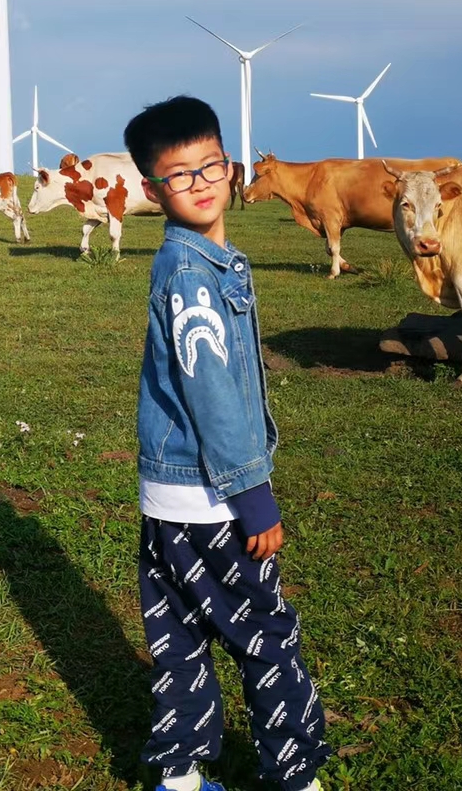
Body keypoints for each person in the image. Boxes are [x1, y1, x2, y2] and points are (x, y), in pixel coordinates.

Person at [123, 96, 330, 791]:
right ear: (155, 191)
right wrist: (254, 496)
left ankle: (179, 777)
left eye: (210, 164)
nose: (202, 181)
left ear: (231, 166)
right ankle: (296, 777)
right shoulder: (192, 274)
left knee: (178, 639)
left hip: (168, 502)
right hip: (213, 501)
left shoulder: (198, 260)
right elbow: (212, 393)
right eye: (180, 175)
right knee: (267, 638)